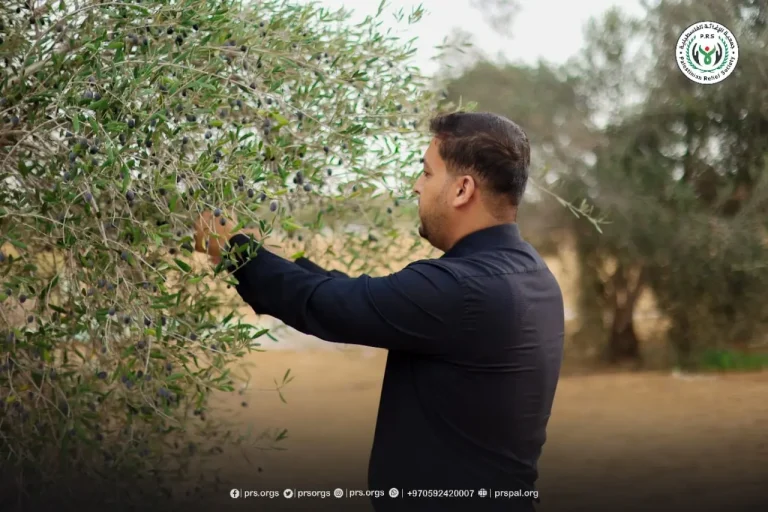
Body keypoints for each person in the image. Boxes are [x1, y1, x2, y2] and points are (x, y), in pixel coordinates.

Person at [195, 111, 565, 511]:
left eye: (426, 173)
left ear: (462, 189)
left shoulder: (461, 289)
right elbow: (353, 294)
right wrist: (262, 254)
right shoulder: (531, 272)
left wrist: (237, 252)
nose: (415, 186)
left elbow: (328, 305)